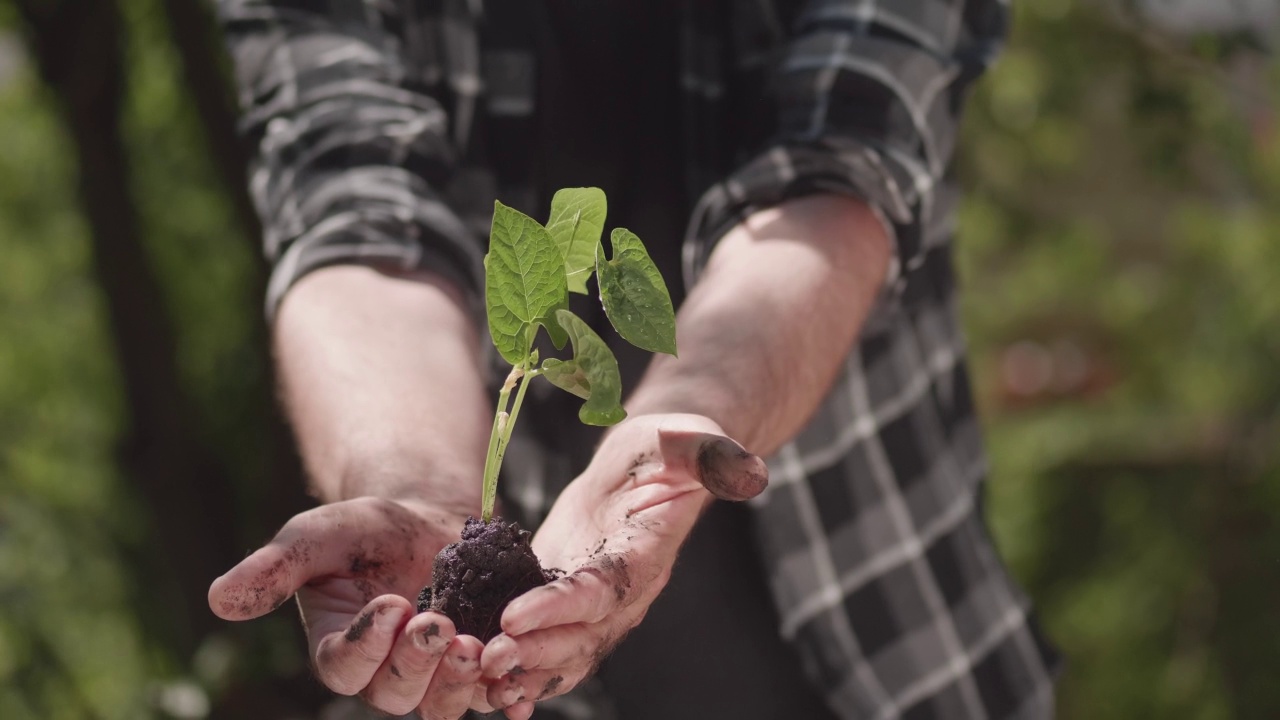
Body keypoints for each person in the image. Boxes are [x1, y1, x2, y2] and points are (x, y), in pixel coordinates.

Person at [208, 1, 1059, 718]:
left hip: (904, 637)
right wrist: (409, 484)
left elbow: (846, 170)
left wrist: (687, 406)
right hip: (518, 683)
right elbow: (352, 213)